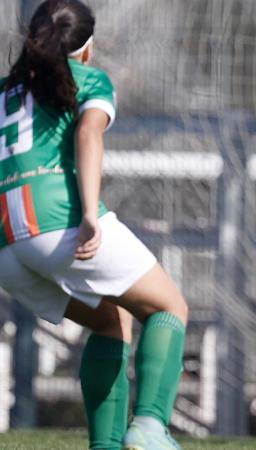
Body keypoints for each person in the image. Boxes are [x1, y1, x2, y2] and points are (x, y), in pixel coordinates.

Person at [0, 1, 189, 449]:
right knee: (169, 307)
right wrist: (88, 214)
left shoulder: (5, 92)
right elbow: (89, 134)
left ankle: (105, 446)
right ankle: (149, 426)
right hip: (58, 225)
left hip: (7, 248)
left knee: (110, 322)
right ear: (85, 46)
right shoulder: (88, 78)